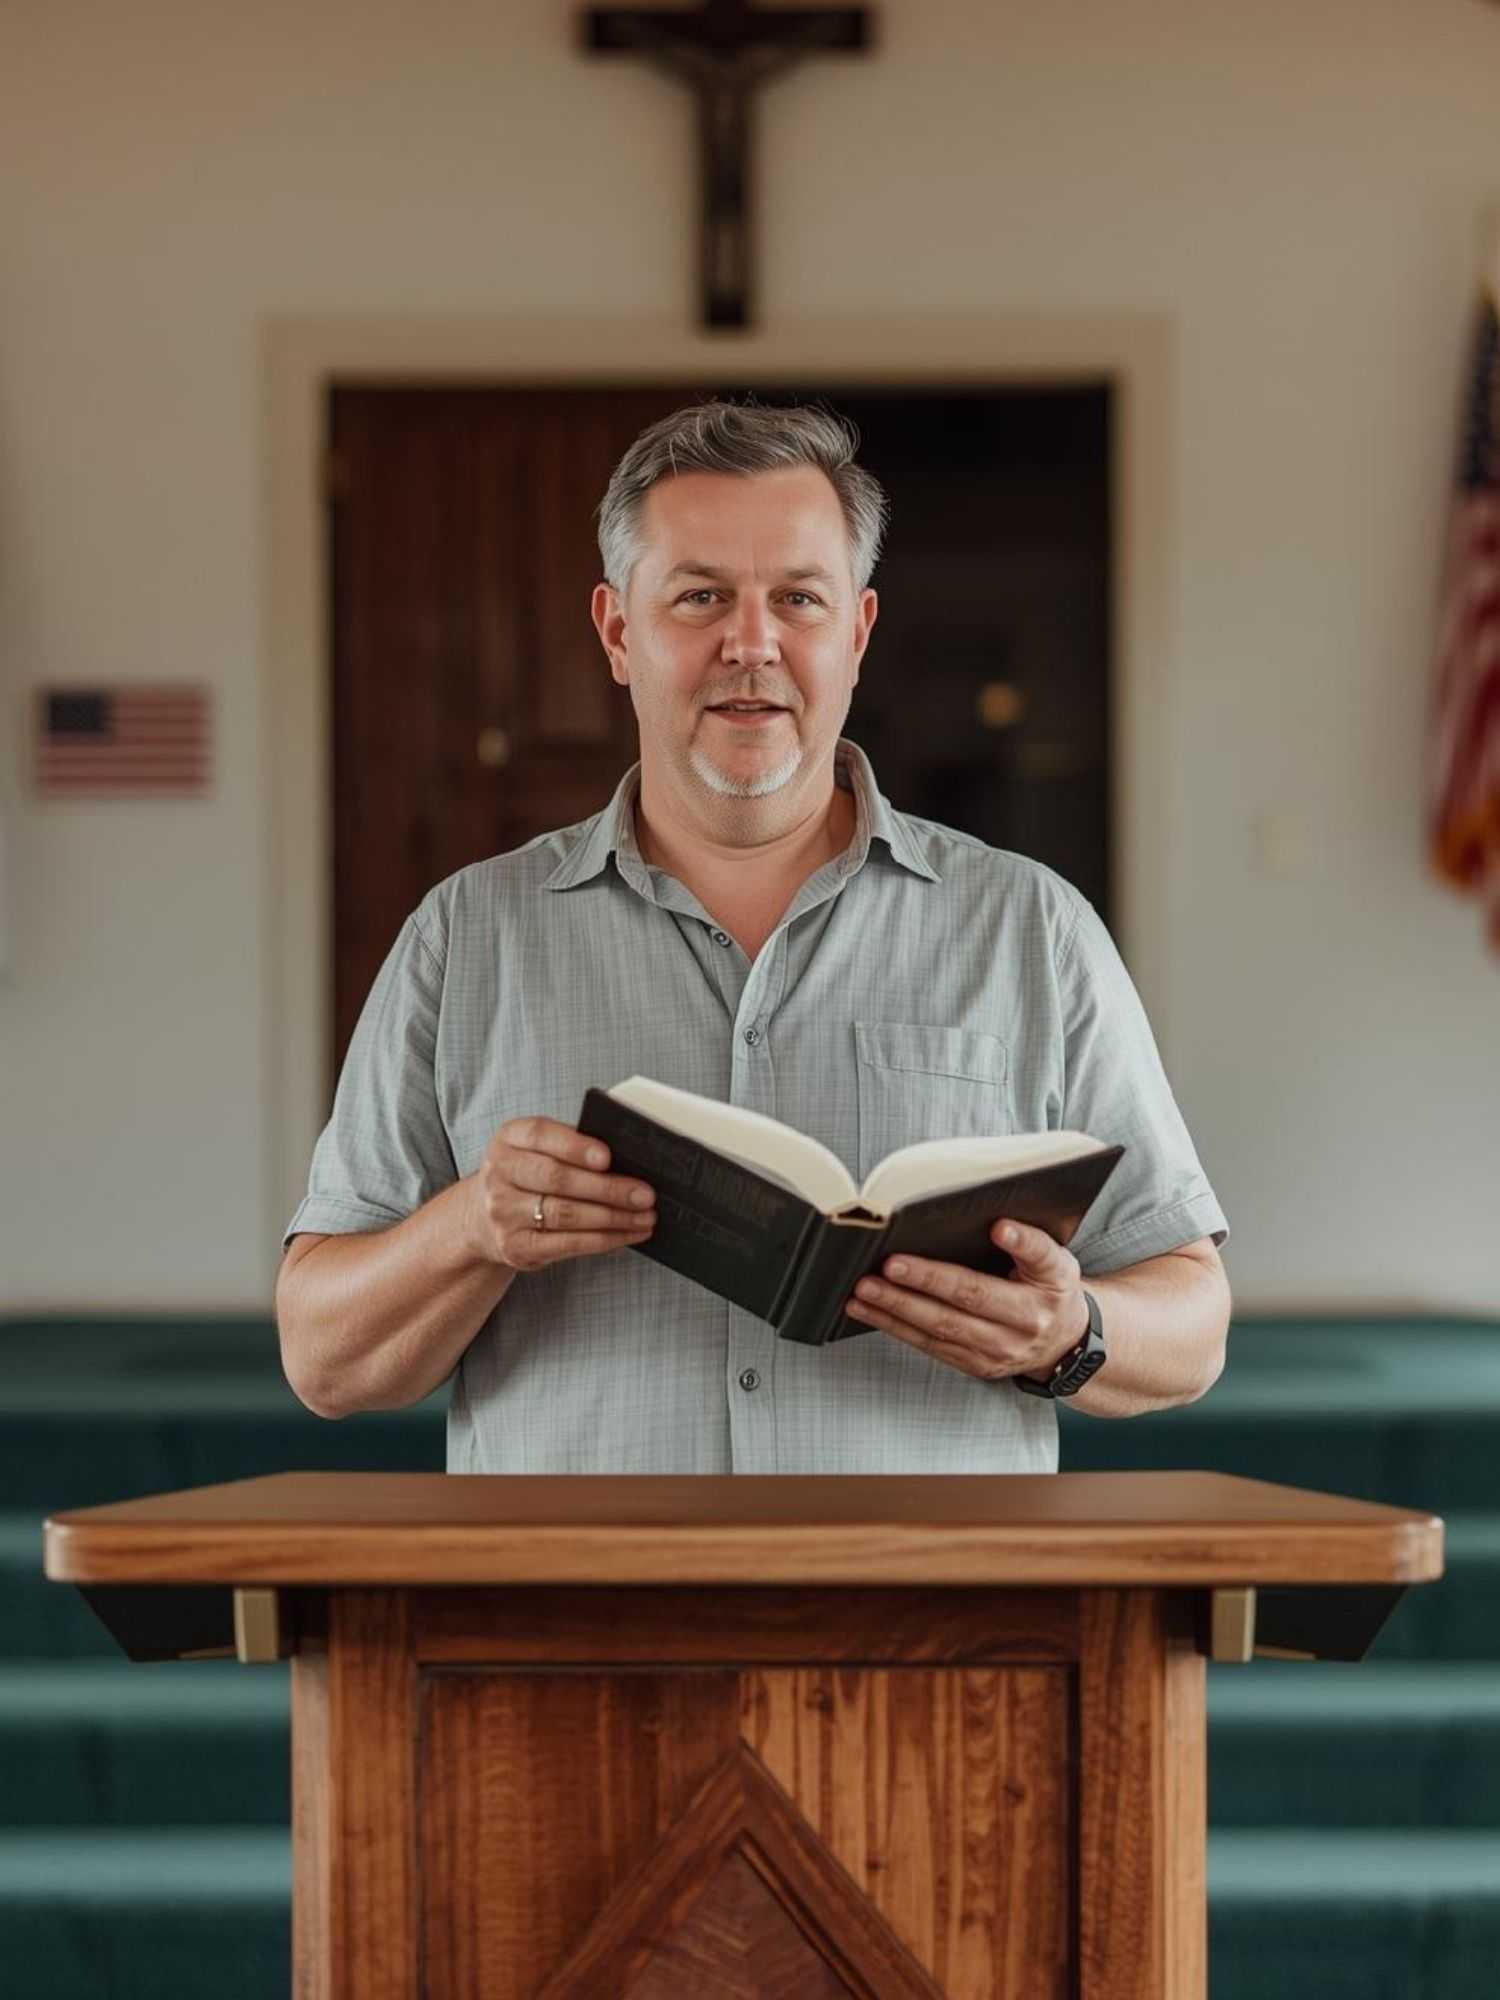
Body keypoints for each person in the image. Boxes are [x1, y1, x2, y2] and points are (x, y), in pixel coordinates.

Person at [276, 401, 1230, 1473]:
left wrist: (1073, 1333)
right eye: (700, 597)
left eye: (798, 599)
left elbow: (1193, 1319)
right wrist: (468, 1228)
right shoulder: (466, 936)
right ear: (618, 632)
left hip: (929, 1625)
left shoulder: (1031, 928)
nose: (752, 643)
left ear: (856, 633)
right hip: (575, 1627)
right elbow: (323, 1357)